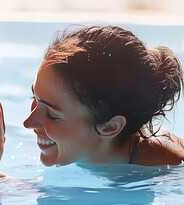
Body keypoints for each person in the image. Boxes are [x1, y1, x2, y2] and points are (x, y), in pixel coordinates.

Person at [23, 24, 184, 166]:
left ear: (109, 127)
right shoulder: (79, 144)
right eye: (35, 99)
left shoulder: (165, 167)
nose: (28, 123)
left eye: (52, 115)